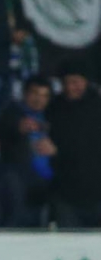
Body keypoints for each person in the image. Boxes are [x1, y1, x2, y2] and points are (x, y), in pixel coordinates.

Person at [46, 61, 101, 227]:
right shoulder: (53, 108)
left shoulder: (97, 107)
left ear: (85, 81)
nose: (70, 88)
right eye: (66, 83)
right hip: (65, 194)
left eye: (75, 82)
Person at [0, 76, 55, 224]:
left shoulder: (55, 116)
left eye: (44, 96)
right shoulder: (12, 113)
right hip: (21, 180)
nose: (39, 99)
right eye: (35, 93)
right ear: (24, 93)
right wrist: (17, 127)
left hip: (51, 182)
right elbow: (3, 130)